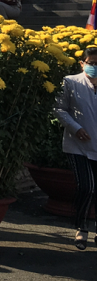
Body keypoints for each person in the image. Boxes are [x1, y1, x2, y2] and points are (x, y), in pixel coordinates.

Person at [54, 45, 97, 250]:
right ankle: (81, 227)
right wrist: (76, 128)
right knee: (86, 187)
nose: (95, 68)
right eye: (92, 64)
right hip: (78, 145)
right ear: (82, 64)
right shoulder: (71, 82)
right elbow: (59, 109)